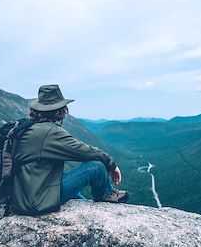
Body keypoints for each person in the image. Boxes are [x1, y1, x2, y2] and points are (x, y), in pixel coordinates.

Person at [11, 84, 128, 216]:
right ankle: (106, 194)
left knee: (79, 197)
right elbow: (86, 151)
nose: (66, 109)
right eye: (63, 106)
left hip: (23, 195)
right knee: (96, 167)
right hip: (37, 200)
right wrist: (111, 165)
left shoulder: (28, 126)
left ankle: (90, 209)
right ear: (58, 110)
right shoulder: (50, 132)